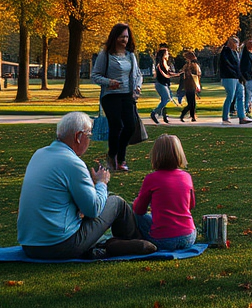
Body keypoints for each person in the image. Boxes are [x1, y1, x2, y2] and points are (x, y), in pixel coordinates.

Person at [17, 111, 155, 259]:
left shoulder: (39, 154)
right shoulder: (73, 163)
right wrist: (101, 183)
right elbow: (93, 210)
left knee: (103, 203)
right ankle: (136, 244)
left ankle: (114, 245)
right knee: (117, 203)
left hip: (30, 246)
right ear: (78, 136)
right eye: (88, 135)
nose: (89, 141)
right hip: (60, 246)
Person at [90, 23, 143, 171]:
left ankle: (118, 156)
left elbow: (138, 74)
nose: (124, 40)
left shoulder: (130, 55)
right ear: (115, 37)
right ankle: (117, 158)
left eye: (126, 37)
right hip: (110, 96)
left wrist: (137, 87)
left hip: (127, 95)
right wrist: (109, 82)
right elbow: (95, 76)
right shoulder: (105, 55)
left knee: (130, 126)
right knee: (117, 125)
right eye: (121, 37)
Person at [132, 134, 197, 251]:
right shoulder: (186, 176)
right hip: (189, 237)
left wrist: (136, 201)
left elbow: (139, 210)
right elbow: (191, 205)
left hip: (164, 240)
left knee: (138, 216)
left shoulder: (151, 179)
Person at [218, 36, 252, 125]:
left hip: (237, 77)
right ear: (231, 43)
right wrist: (235, 73)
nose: (237, 45)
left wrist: (241, 76)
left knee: (241, 95)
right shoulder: (225, 51)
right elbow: (228, 65)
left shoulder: (235, 53)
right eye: (236, 42)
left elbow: (238, 66)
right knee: (230, 96)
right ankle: (225, 117)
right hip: (229, 77)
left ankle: (242, 117)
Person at [151, 44, 175, 124]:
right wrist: (177, 74)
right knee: (166, 99)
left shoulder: (164, 62)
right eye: (167, 53)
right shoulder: (160, 64)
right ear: (164, 54)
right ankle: (154, 113)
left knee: (166, 99)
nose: (168, 55)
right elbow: (166, 74)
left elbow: (168, 73)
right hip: (161, 83)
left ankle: (164, 116)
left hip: (165, 83)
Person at [179, 51, 202, 122]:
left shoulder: (186, 66)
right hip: (191, 85)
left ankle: (192, 116)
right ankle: (183, 114)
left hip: (188, 86)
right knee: (191, 103)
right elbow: (197, 75)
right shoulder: (193, 65)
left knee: (192, 102)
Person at [240, 39, 252, 116]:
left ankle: (249, 109)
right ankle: (246, 110)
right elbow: (244, 67)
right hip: (248, 78)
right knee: (248, 94)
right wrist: (246, 77)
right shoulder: (245, 55)